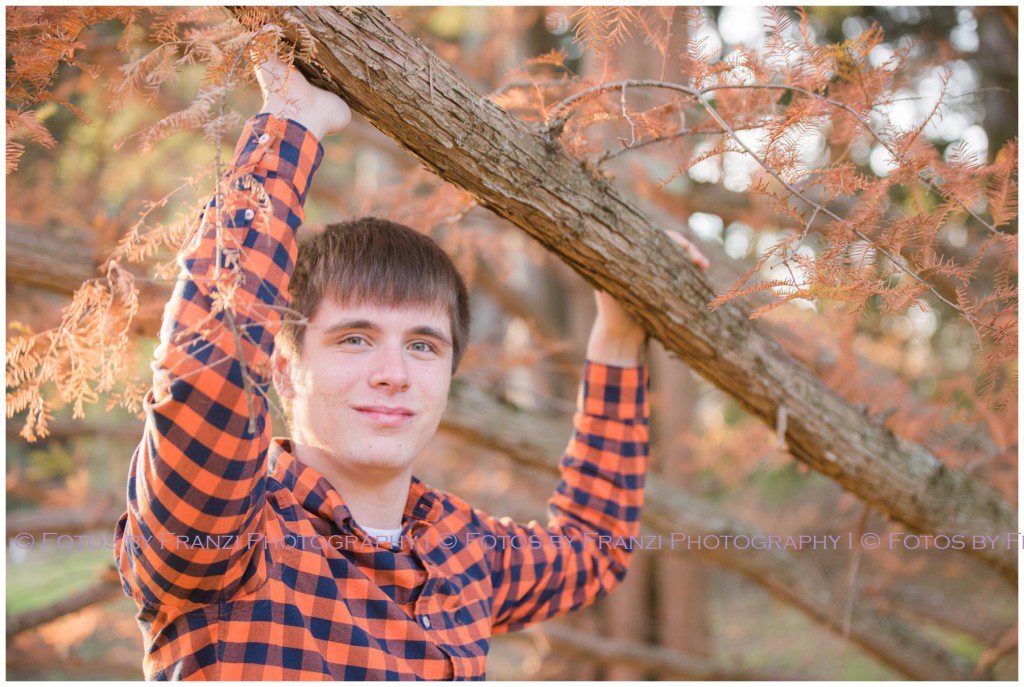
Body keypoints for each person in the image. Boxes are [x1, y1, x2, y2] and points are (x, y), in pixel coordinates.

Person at [113, 52, 707, 680]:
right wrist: (290, 124)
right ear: (284, 370)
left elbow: (593, 550)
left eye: (423, 345)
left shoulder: (462, 550)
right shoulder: (223, 535)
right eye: (354, 340)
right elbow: (208, 379)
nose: (393, 372)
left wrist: (615, 337)